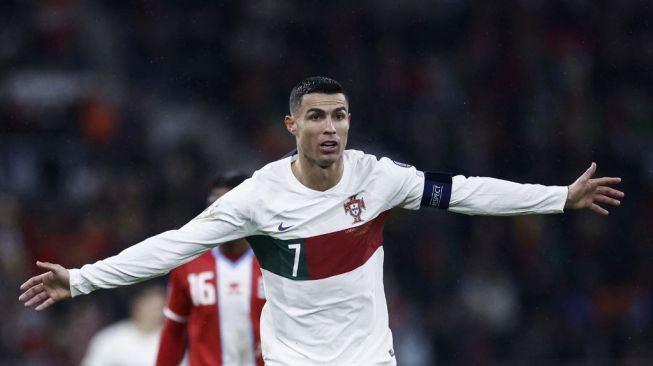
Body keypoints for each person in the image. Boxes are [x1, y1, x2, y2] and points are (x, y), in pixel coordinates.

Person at [20, 76, 624, 366]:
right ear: (293, 127)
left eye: (339, 115)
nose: (330, 127)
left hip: (368, 357)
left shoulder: (378, 177)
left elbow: (464, 192)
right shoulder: (257, 197)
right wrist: (81, 279)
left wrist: (557, 197)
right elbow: (173, 246)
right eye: (316, 117)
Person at [156, 172, 265, 366]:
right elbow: (174, 330)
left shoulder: (275, 261)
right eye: (213, 207)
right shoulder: (188, 263)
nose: (219, 216)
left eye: (227, 208)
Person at [81, 283, 166, 366]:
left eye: (159, 308)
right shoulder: (110, 339)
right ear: (136, 305)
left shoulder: (173, 341)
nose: (155, 313)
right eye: (151, 306)